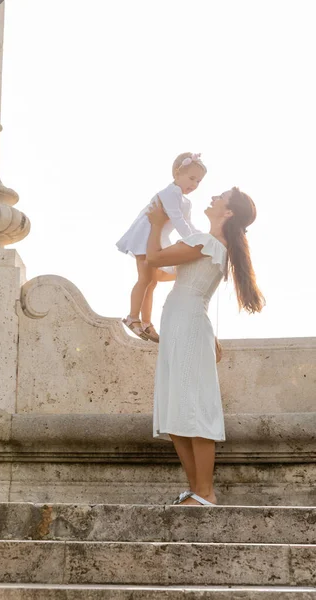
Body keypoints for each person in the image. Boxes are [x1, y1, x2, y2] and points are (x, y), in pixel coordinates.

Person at [146, 187, 265, 506]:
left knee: (193, 408)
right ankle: (197, 490)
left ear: (228, 212)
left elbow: (155, 258)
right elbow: (160, 271)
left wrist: (158, 224)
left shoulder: (207, 242)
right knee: (176, 414)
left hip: (187, 324)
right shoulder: (208, 244)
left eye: (220, 197)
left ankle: (205, 491)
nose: (213, 197)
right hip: (182, 323)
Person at [116, 153, 206, 343]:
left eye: (198, 181)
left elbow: (188, 223)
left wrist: (203, 239)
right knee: (145, 278)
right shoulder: (170, 193)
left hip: (157, 238)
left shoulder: (186, 201)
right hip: (145, 236)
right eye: (191, 178)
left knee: (152, 282)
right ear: (177, 173)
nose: (194, 184)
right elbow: (177, 219)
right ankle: (133, 317)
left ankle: (147, 323)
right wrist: (192, 241)